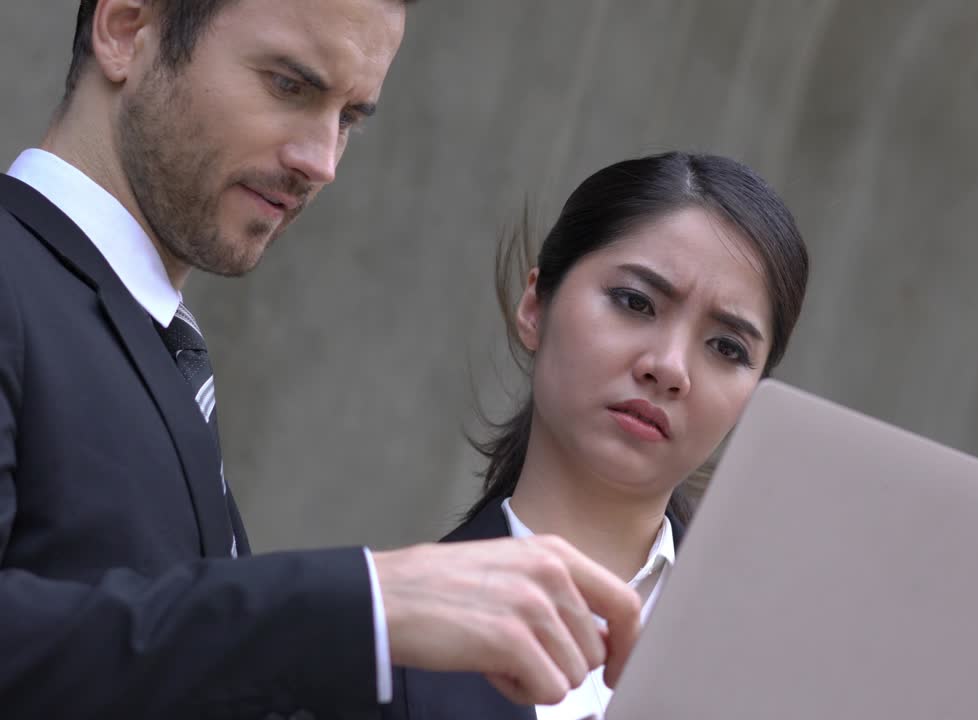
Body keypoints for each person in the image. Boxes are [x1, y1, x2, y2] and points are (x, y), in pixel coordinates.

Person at [0, 1, 643, 717]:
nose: (323, 162)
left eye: (349, 119)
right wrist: (366, 602)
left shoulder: (153, 344)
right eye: (290, 86)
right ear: (126, 30)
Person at [389, 151, 810, 719]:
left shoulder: (786, 672)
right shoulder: (382, 652)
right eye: (636, 303)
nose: (668, 367)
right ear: (536, 305)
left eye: (727, 348)